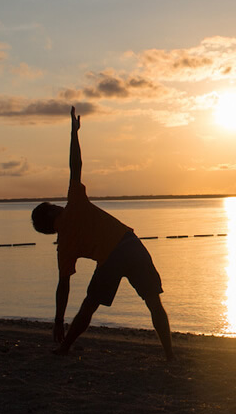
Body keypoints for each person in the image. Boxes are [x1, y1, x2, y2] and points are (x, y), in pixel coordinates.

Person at [31, 107, 174, 361]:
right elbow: (76, 164)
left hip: (112, 257)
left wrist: (58, 320)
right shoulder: (74, 202)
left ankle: (64, 348)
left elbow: (63, 285)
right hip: (131, 243)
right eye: (53, 205)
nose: (57, 205)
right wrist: (74, 134)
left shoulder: (63, 245)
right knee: (153, 302)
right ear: (52, 212)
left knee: (89, 305)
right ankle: (170, 355)